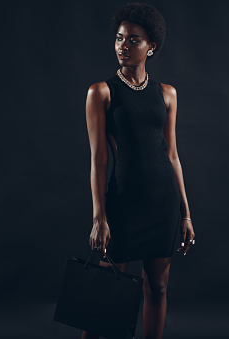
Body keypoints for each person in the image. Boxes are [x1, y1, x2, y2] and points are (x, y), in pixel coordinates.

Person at [83, 3, 195, 339]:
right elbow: (99, 159)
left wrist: (186, 214)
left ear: (151, 47)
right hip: (124, 203)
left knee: (157, 288)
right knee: (107, 289)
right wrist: (99, 216)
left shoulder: (167, 94)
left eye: (133, 40)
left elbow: (172, 156)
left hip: (163, 203)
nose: (123, 46)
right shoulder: (101, 92)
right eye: (119, 39)